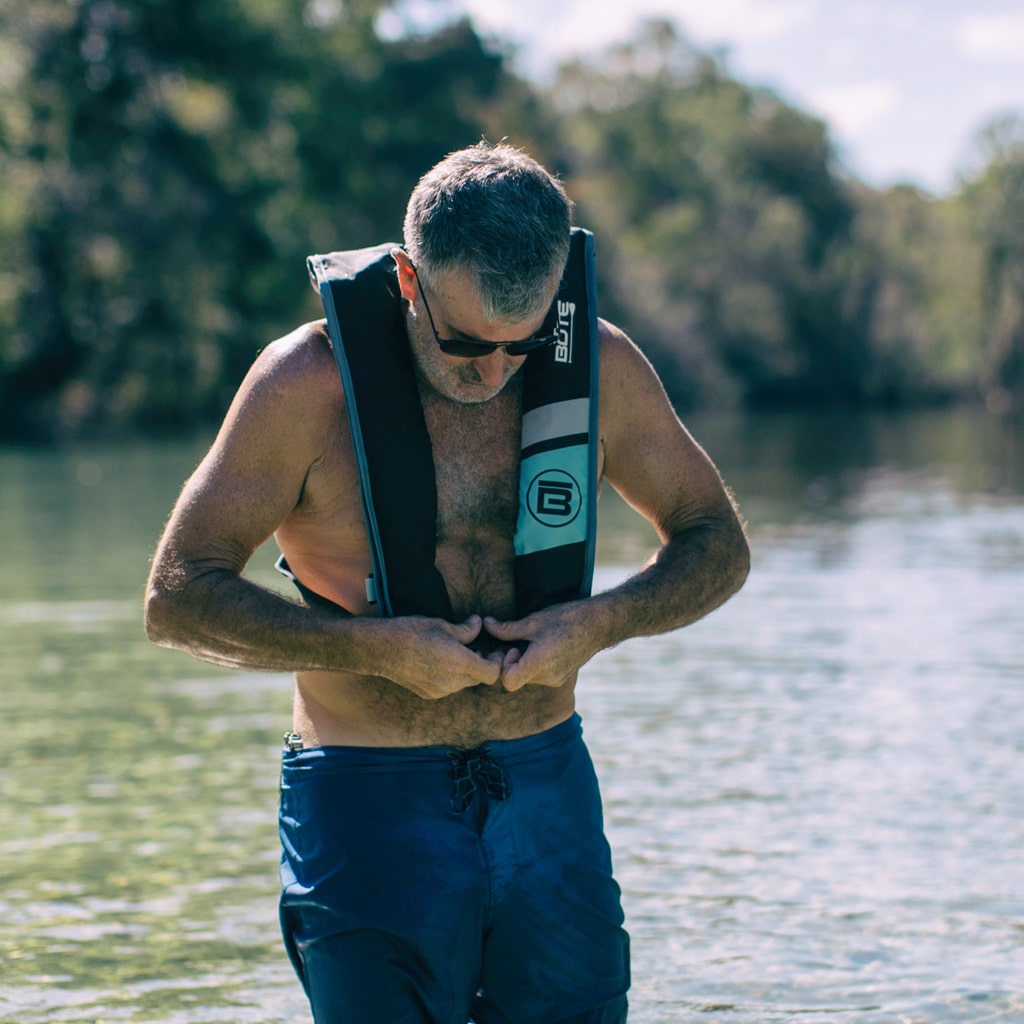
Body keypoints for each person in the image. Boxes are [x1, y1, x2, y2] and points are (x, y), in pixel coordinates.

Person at [145, 140, 749, 1024]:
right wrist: (369, 650)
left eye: (524, 344)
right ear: (405, 282)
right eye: (467, 344)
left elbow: (717, 544)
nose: (495, 374)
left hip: (546, 786)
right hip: (366, 795)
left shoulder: (599, 367)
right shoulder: (304, 386)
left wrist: (602, 623)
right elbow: (176, 598)